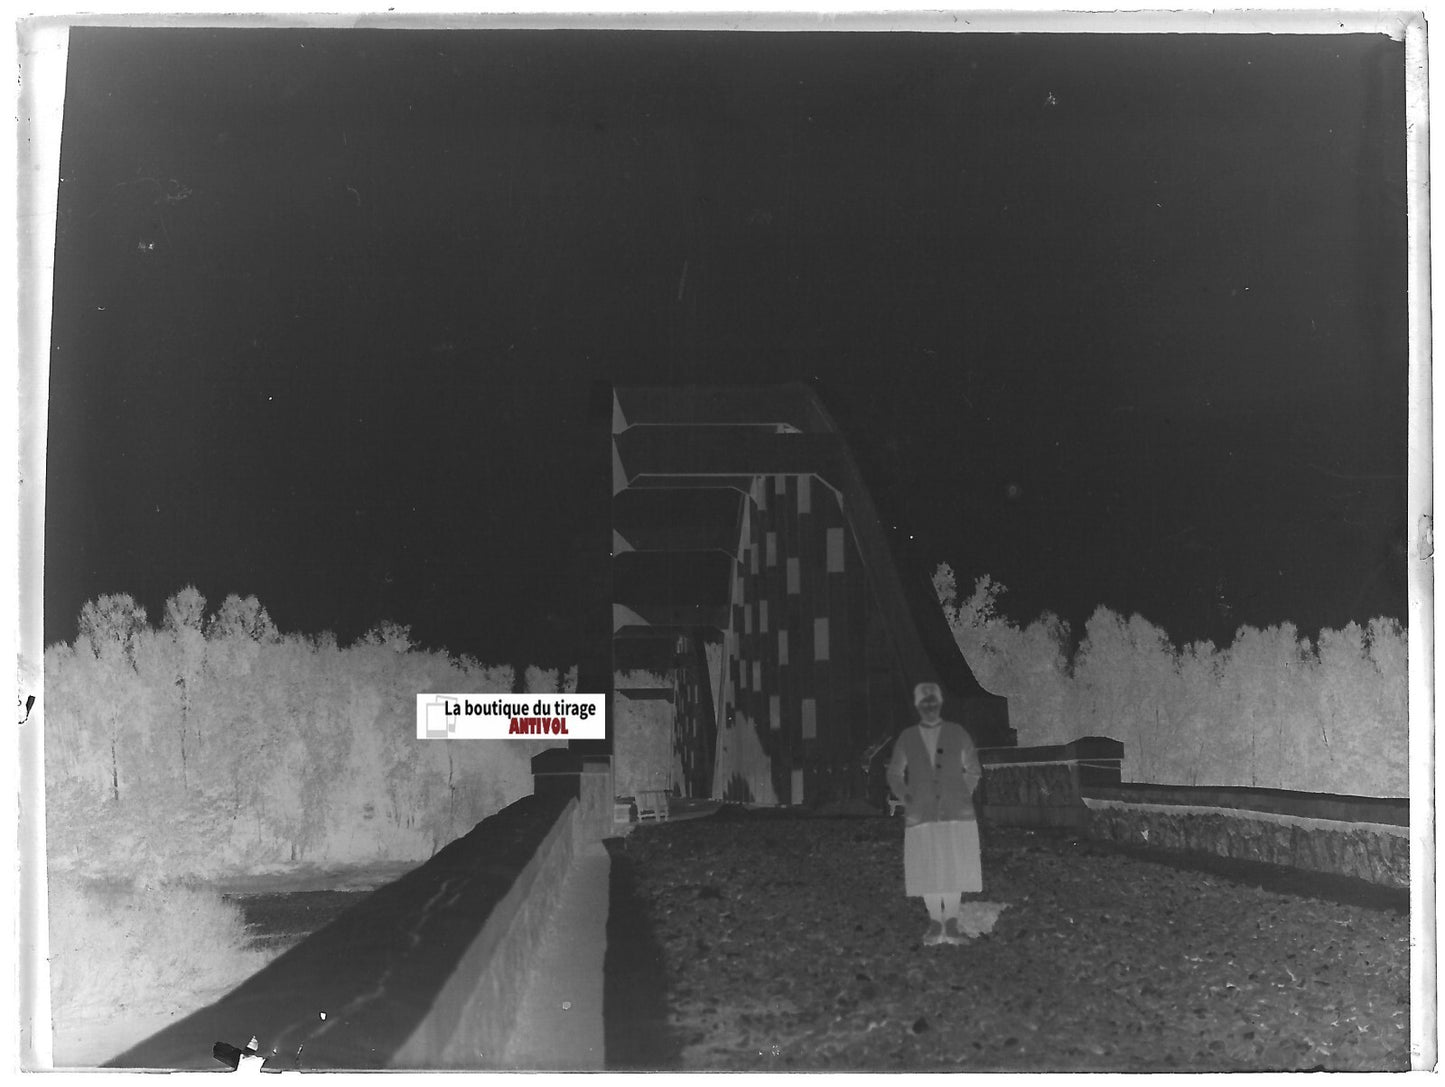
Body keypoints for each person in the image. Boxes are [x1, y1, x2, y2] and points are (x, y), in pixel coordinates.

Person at [886, 681, 984, 946]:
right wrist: (905, 796)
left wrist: (962, 794)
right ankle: (934, 923)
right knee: (927, 866)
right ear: (917, 706)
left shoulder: (958, 732)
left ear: (940, 704)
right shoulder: (907, 737)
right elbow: (894, 773)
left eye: (934, 702)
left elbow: (974, 769)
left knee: (954, 866)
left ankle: (951, 924)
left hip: (956, 813)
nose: (929, 708)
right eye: (924, 703)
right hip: (922, 814)